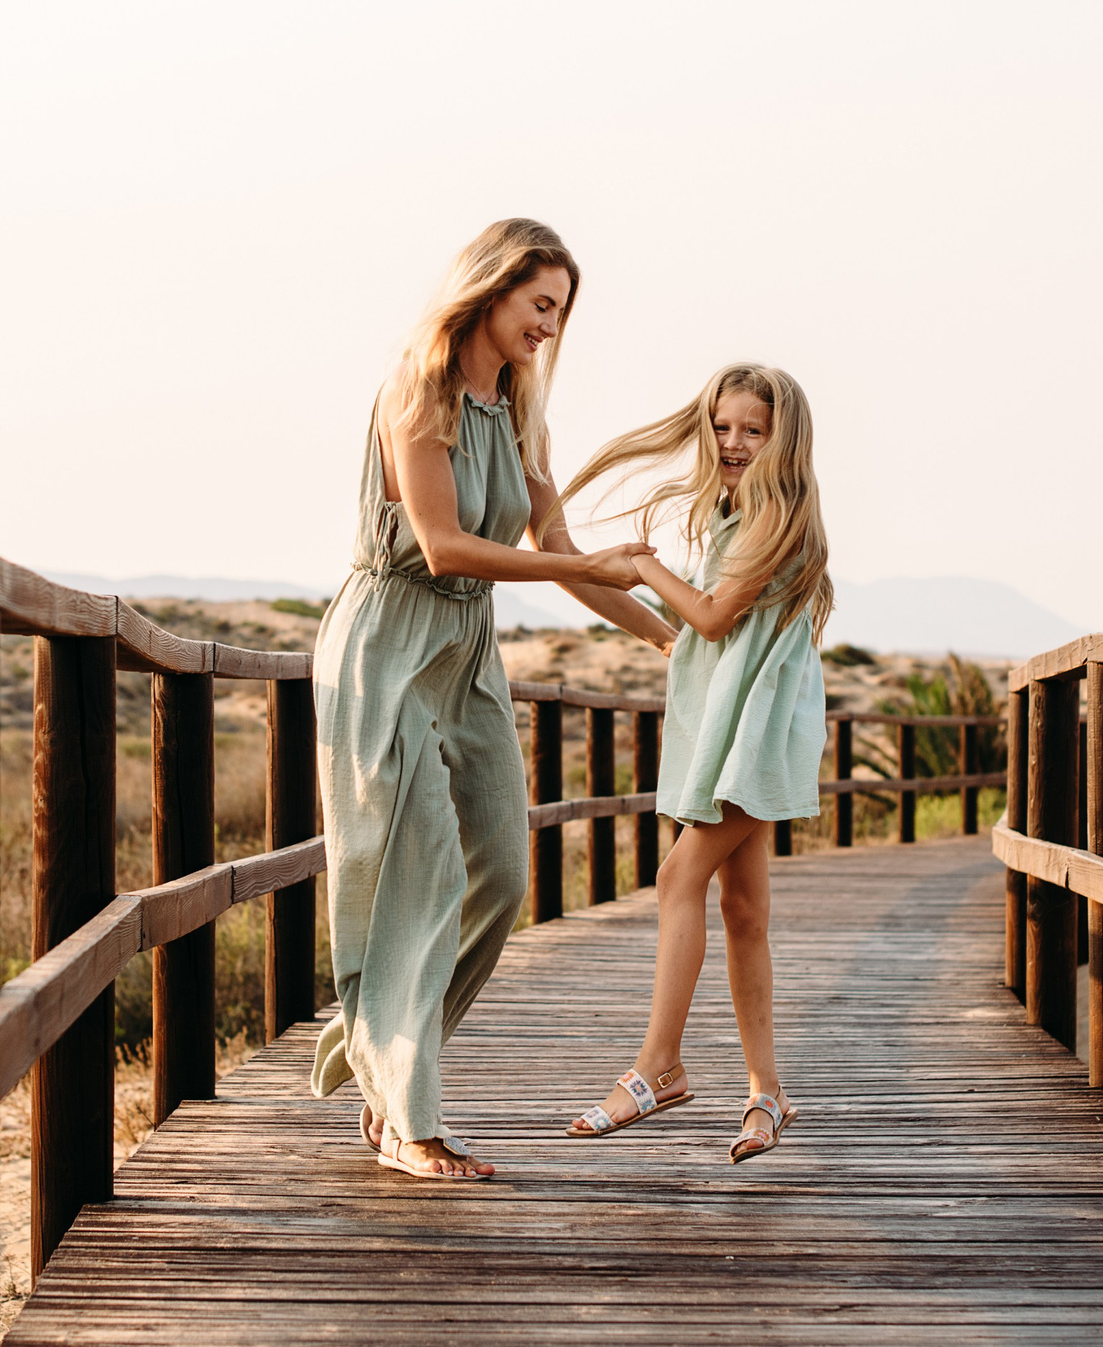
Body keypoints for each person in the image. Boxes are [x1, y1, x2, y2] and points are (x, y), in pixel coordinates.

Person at [313, 219, 676, 1181]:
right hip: (391, 637)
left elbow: (562, 558)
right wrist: (579, 557)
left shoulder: (519, 412)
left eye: (561, 311)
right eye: (540, 305)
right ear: (490, 289)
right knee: (422, 864)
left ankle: (387, 1060)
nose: (550, 327)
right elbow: (440, 543)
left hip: (467, 648)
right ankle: (407, 1117)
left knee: (504, 871)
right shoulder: (418, 388)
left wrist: (672, 641)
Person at [558, 363, 833, 1162]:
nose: (735, 442)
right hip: (729, 727)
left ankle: (658, 1067)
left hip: (758, 733)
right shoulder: (731, 510)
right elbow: (700, 634)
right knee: (743, 909)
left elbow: (711, 619)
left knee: (679, 877)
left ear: (784, 438)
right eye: (722, 426)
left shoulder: (781, 514)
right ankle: (768, 1094)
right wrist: (582, 565)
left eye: (753, 428)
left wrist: (642, 567)